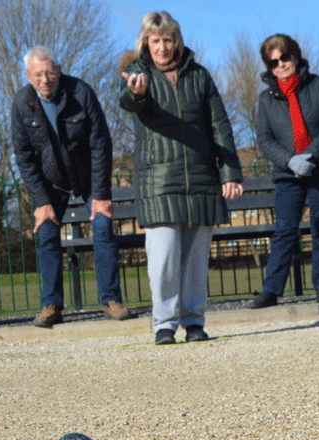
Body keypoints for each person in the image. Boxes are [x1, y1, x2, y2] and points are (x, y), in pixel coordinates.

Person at [119, 11, 244, 345]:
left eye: (168, 39)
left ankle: (194, 321)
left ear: (177, 41)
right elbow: (128, 101)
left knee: (195, 261)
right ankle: (163, 324)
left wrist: (230, 170)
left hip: (202, 178)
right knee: (163, 260)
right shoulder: (137, 74)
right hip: (160, 182)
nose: (163, 47)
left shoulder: (199, 76)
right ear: (146, 42)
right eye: (156, 40)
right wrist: (137, 93)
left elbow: (220, 125)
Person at [12, 46, 131, 328]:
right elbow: (24, 158)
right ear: (28, 76)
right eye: (38, 74)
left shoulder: (81, 92)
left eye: (50, 72)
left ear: (59, 71)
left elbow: (101, 144)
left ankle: (111, 299)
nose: (45, 79)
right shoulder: (21, 104)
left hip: (89, 176)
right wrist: (42, 202)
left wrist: (100, 195)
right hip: (51, 181)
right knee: (48, 232)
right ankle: (51, 304)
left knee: (102, 227)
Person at [250, 34, 319, 309]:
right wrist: (291, 161)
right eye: (273, 62)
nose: (280, 65)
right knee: (284, 230)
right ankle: (272, 290)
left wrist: (312, 156)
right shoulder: (266, 99)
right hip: (287, 173)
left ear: (295, 56)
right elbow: (264, 139)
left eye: (284, 57)